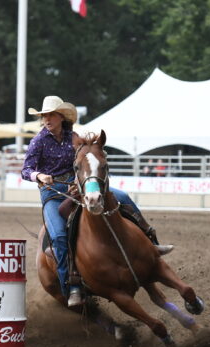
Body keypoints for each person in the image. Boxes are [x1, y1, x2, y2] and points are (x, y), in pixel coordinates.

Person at [22, 95, 173, 307]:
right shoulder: (38, 141)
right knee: (59, 236)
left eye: (51, 115)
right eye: (44, 116)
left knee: (123, 198)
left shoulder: (72, 137)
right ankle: (72, 286)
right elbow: (25, 169)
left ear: (61, 117)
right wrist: (38, 176)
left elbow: (84, 159)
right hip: (53, 196)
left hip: (79, 189)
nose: (47, 119)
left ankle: (152, 244)